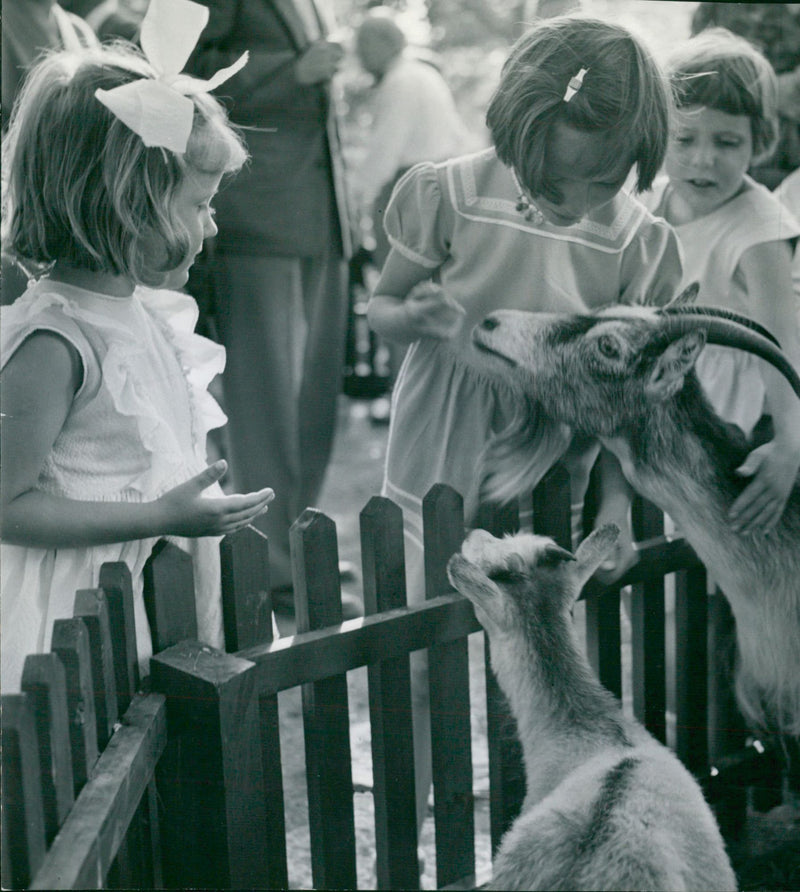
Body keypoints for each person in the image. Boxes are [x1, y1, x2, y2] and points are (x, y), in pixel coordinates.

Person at [366, 15, 683, 833]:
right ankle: (411, 819)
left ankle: (543, 828)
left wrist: (615, 503)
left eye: (600, 182)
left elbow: (630, 399)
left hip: (553, 462)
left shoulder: (640, 244)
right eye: (553, 178)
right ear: (516, 129)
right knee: (422, 644)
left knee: (542, 657)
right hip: (442, 440)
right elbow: (383, 308)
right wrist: (415, 313)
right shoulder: (448, 194)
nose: (572, 202)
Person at [0, 4, 276, 693]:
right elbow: (4, 503)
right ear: (126, 201)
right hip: (67, 626)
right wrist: (160, 516)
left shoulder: (146, 315)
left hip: (143, 594)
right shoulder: (54, 343)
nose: (211, 227)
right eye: (197, 205)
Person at [184, 0, 361, 621]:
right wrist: (292, 71)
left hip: (321, 219)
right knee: (264, 404)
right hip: (259, 221)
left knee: (314, 402)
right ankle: (275, 565)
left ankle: (296, 540)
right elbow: (189, 71)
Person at [641, 27, 800, 535]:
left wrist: (790, 445)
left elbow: (782, 341)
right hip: (655, 389)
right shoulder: (649, 201)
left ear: (760, 143)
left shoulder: (760, 226)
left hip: (726, 406)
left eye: (727, 142)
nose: (703, 159)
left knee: (706, 541)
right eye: (685, 139)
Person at [353, 7, 472, 268]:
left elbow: (384, 153)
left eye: (363, 44)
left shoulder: (401, 81)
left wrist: (353, 194)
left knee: (403, 280)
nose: (359, 55)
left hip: (413, 190)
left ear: (384, 42)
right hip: (440, 186)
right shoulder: (422, 73)